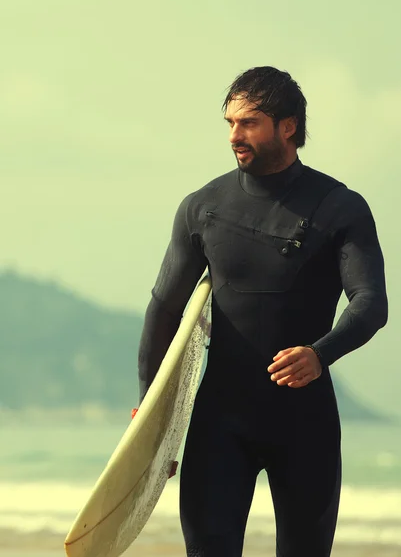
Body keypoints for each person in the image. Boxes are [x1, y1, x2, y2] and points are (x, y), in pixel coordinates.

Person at [137, 66, 388, 557]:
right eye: (230, 123)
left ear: (288, 126)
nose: (234, 135)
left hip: (304, 423)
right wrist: (152, 411)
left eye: (248, 123)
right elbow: (164, 309)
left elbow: (370, 303)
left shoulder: (339, 207)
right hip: (220, 423)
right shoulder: (203, 207)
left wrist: (320, 354)